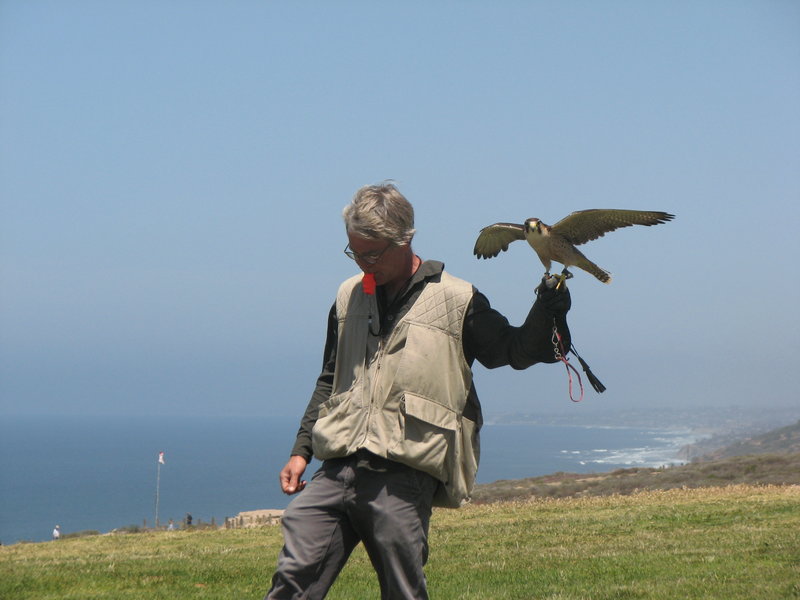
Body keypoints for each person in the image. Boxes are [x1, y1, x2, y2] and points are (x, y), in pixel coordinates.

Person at [265, 182, 571, 600]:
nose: (363, 263)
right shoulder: (346, 295)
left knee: (402, 591)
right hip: (337, 465)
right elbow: (330, 377)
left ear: (405, 239)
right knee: (294, 576)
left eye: (372, 253)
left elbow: (513, 351)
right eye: (354, 251)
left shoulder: (458, 299)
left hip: (404, 472)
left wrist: (546, 311)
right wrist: (301, 451)